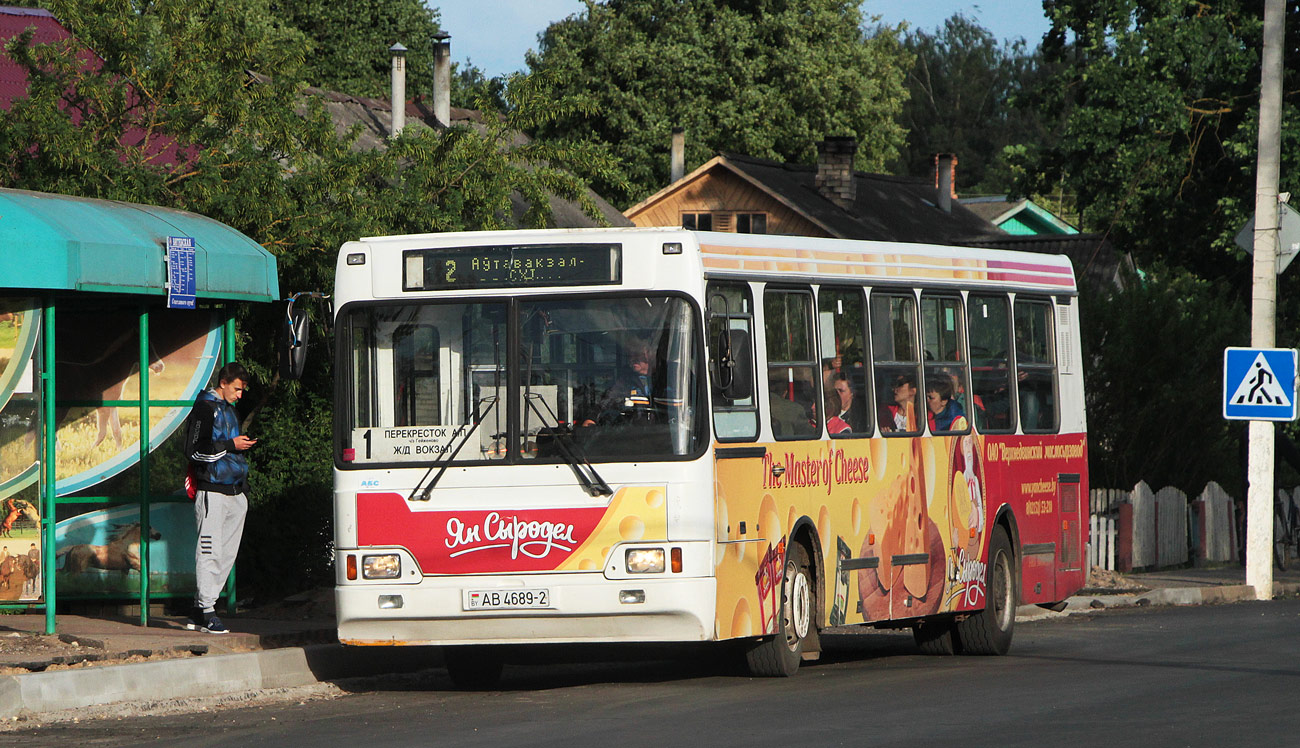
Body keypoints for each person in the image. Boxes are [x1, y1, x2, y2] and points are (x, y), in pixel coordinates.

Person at [183, 362, 257, 634]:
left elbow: (228, 450)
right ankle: (206, 610)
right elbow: (193, 450)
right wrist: (230, 446)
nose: (240, 395)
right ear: (223, 382)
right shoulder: (205, 407)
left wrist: (237, 448)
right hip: (212, 490)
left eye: (242, 390)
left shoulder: (230, 410)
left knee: (226, 553)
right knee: (210, 551)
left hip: (235, 492)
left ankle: (199, 608)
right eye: (237, 389)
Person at [581, 340, 659, 426]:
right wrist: (591, 418)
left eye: (637, 355)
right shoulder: (625, 380)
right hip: (634, 433)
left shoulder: (665, 378)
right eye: (630, 356)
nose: (633, 359)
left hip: (663, 434)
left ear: (649, 356)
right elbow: (607, 400)